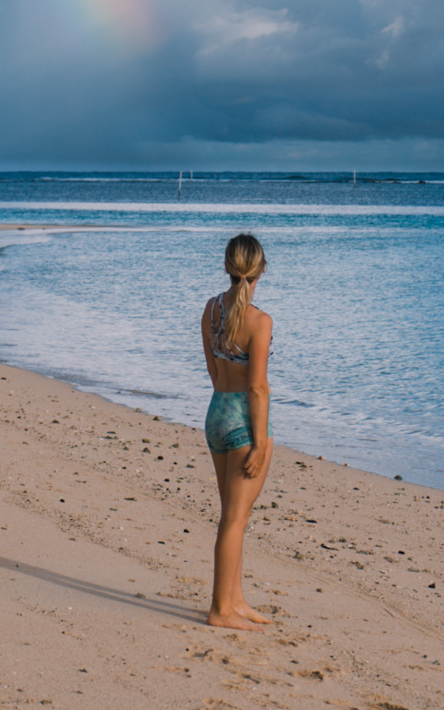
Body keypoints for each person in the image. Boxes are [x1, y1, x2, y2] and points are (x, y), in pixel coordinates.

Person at [200, 233, 275, 630]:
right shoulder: (260, 321)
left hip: (216, 414)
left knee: (234, 515)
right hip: (244, 421)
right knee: (234, 520)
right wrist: (260, 444)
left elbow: (215, 373)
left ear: (227, 267)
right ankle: (220, 610)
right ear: (261, 270)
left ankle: (235, 599)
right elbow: (258, 387)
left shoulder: (212, 310)